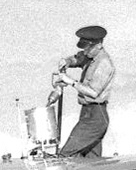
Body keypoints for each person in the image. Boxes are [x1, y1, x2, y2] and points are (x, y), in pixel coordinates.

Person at [49, 25, 115, 158]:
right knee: (91, 161)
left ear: (98, 45)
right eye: (83, 48)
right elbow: (77, 58)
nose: (84, 52)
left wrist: (71, 82)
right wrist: (67, 61)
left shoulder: (104, 63)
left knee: (66, 153)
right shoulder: (90, 56)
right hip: (87, 113)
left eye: (87, 48)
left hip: (96, 116)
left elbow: (93, 92)